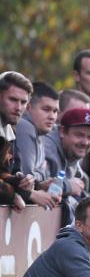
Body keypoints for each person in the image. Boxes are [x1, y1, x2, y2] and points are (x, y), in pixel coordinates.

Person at [13, 82, 61, 209]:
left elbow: (39, 176)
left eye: (55, 111)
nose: (52, 117)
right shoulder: (25, 126)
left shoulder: (39, 132)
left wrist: (40, 180)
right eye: (46, 109)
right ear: (28, 108)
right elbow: (26, 179)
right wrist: (39, 177)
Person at [1, 71, 35, 211]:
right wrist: (12, 195)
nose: (19, 108)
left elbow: (6, 173)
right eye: (13, 100)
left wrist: (24, 182)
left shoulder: (9, 131)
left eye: (23, 102)